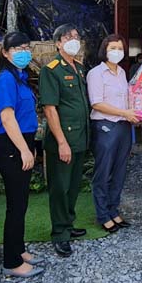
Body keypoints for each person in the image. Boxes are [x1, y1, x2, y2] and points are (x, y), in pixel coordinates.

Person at [0, 31, 45, 277]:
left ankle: (19, 249)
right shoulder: (5, 79)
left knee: (21, 202)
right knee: (15, 204)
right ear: (5, 52)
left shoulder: (19, 77)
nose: (24, 52)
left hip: (23, 142)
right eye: (17, 48)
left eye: (26, 47)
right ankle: (11, 261)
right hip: (12, 145)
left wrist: (28, 146)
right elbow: (7, 117)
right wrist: (24, 149)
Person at [38, 23, 90, 257]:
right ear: (58, 43)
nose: (73, 40)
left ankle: (68, 224)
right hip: (63, 140)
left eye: (76, 36)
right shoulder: (51, 70)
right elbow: (50, 109)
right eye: (68, 37)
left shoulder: (79, 68)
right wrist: (61, 142)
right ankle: (60, 233)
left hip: (80, 138)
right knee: (60, 188)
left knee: (73, 185)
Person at [86, 34, 139, 233]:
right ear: (104, 50)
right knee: (104, 171)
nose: (116, 51)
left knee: (119, 171)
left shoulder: (122, 72)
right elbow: (97, 103)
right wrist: (124, 113)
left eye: (120, 48)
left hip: (124, 126)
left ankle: (113, 210)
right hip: (105, 126)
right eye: (112, 48)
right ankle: (102, 214)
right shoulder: (96, 73)